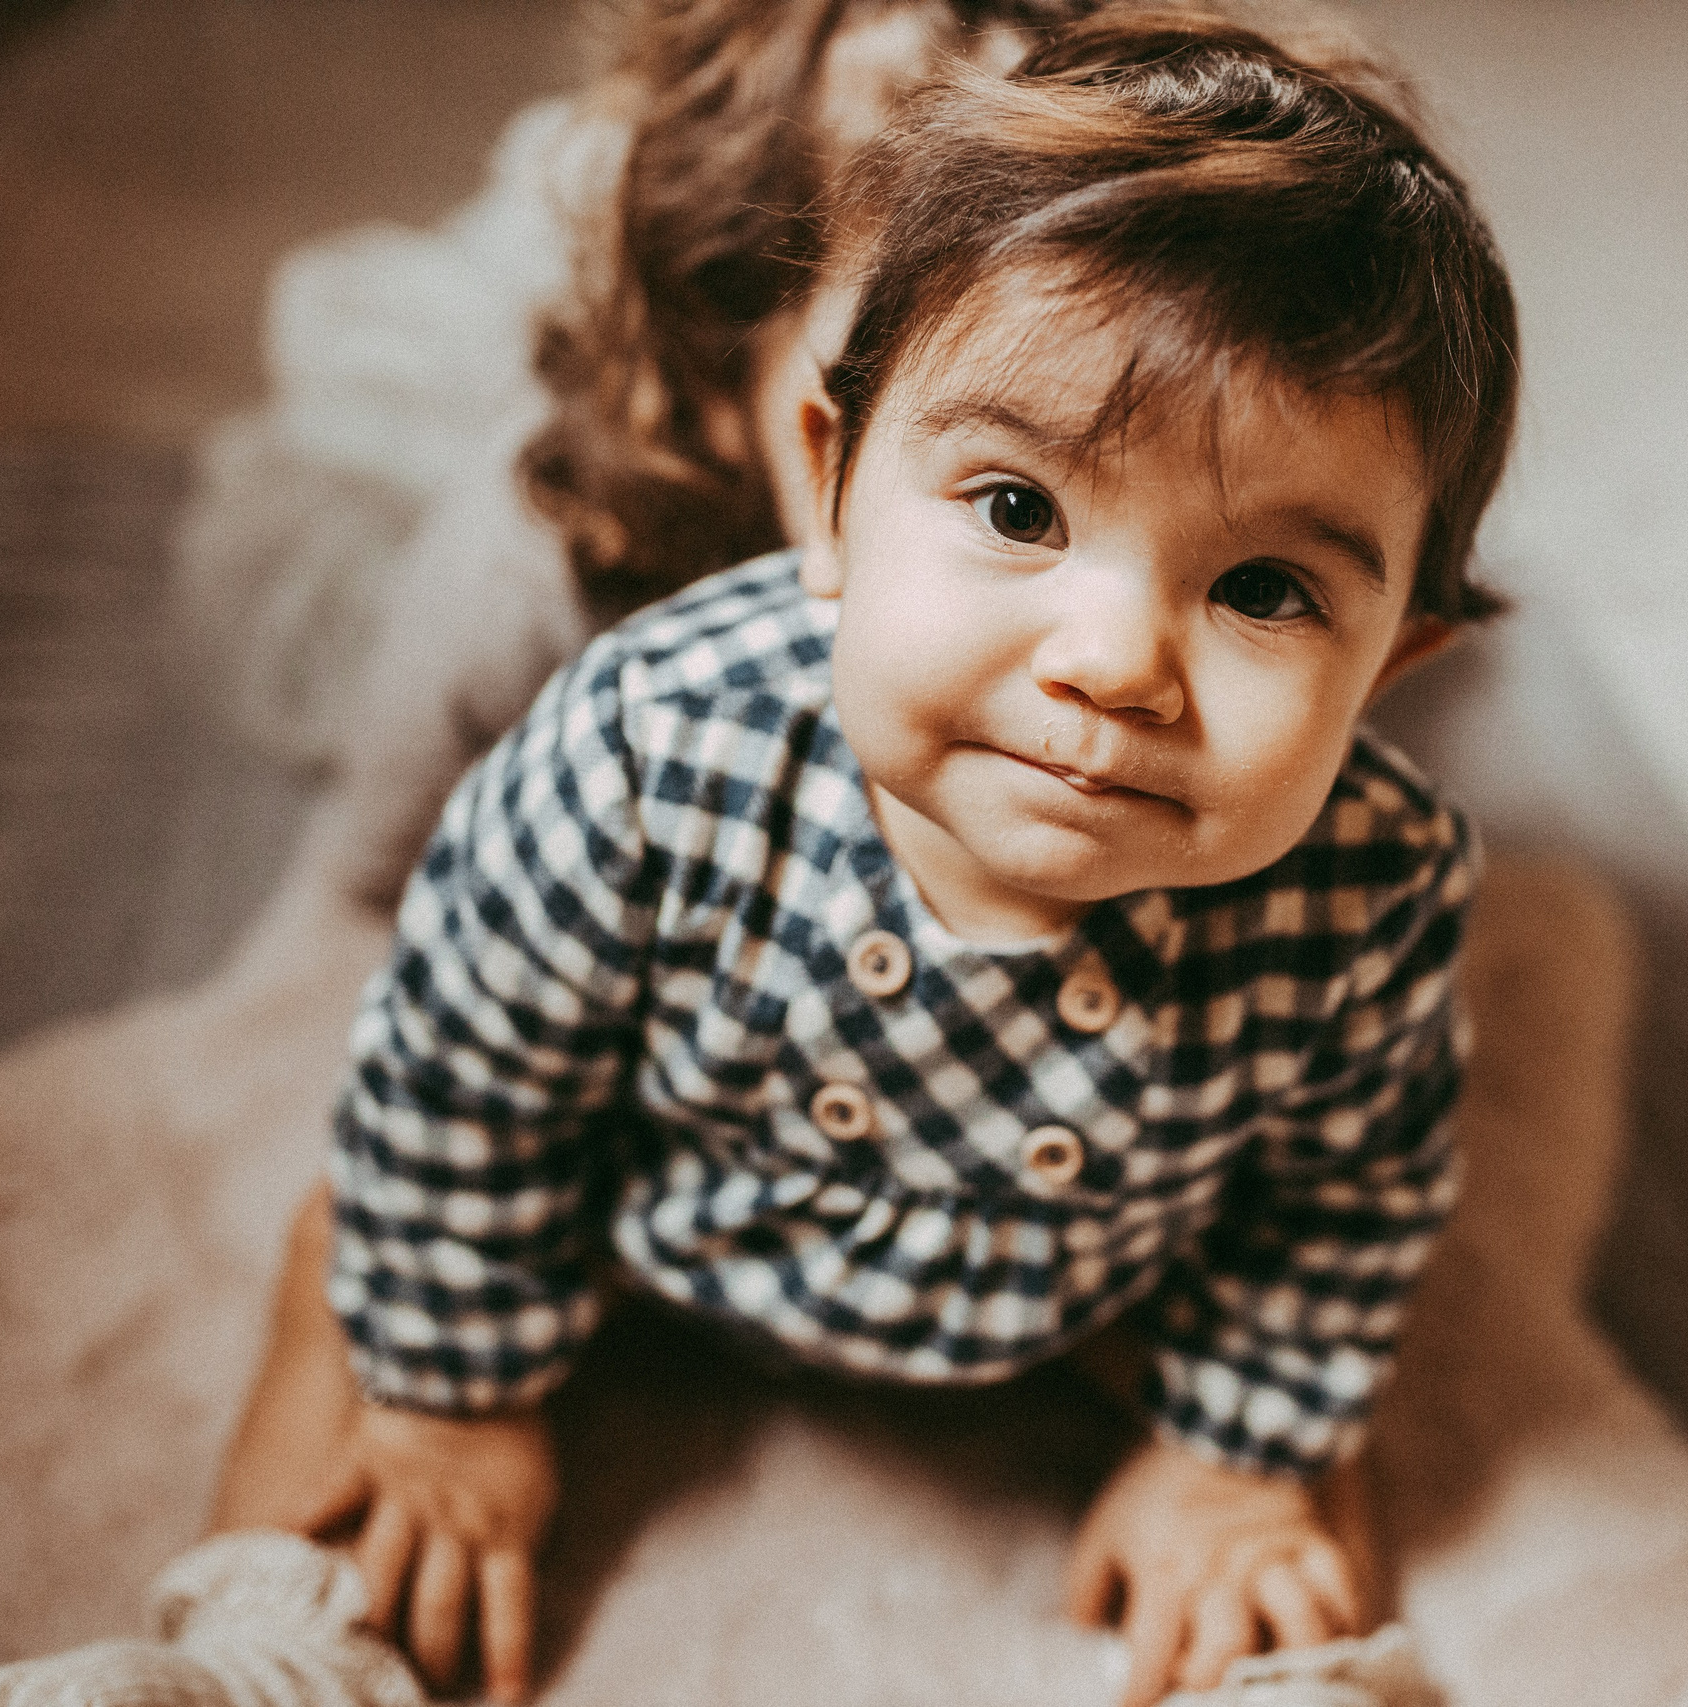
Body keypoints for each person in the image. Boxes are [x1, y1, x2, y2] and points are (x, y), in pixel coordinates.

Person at [218, 10, 1520, 1707]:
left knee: (1295, 1463)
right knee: (362, 1262)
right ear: (827, 490)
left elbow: (1348, 1193)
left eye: (1265, 592)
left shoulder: (1375, 892)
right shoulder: (637, 745)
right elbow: (469, 1076)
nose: (1114, 661)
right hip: (655, 1220)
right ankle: (245, 1644)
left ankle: (1292, 1672)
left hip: (1086, 1271)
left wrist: (1240, 1445)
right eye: (1019, 510)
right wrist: (459, 1391)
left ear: (1396, 665)